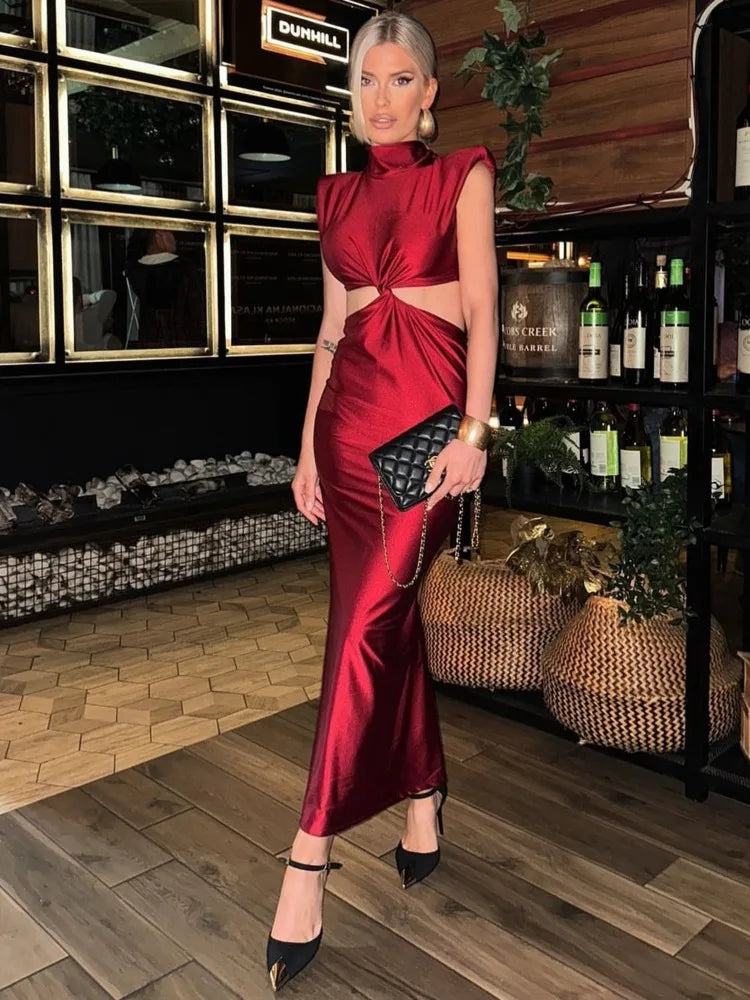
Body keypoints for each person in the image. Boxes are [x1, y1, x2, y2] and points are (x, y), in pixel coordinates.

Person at [267, 11, 498, 992]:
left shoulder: (464, 175)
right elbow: (330, 332)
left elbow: (484, 308)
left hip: (426, 432)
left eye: (400, 79)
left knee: (363, 625)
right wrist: (306, 449)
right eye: (366, 81)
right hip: (350, 432)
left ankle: (309, 846)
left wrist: (476, 432)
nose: (382, 96)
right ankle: (421, 791)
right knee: (382, 625)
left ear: (430, 93)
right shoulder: (333, 197)